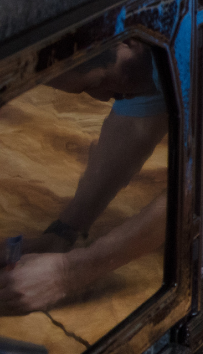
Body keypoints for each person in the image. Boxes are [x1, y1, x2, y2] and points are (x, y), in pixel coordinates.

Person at [0, 41, 168, 316]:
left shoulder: (199, 56)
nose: (102, 99)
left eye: (97, 82)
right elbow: (138, 118)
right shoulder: (139, 60)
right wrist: (61, 233)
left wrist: (67, 274)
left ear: (125, 40)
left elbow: (197, 191)